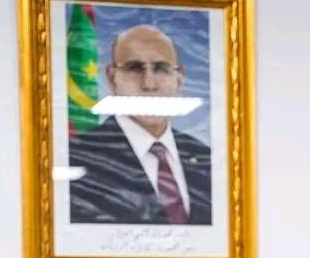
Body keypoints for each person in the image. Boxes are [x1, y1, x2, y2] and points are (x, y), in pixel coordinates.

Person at [68, 25, 211, 225]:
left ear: (180, 79)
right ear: (111, 78)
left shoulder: (206, 159)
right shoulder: (77, 157)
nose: (149, 84)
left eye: (161, 68)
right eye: (134, 68)